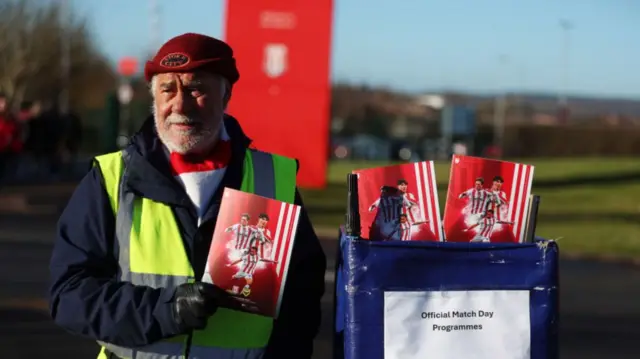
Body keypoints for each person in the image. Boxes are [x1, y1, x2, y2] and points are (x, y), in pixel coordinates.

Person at [48, 32, 326, 359]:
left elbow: (300, 303)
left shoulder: (272, 180)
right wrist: (166, 310)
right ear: (154, 98)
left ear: (226, 96)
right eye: (168, 89)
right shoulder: (110, 179)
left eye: (197, 89)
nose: (180, 104)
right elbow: (69, 295)